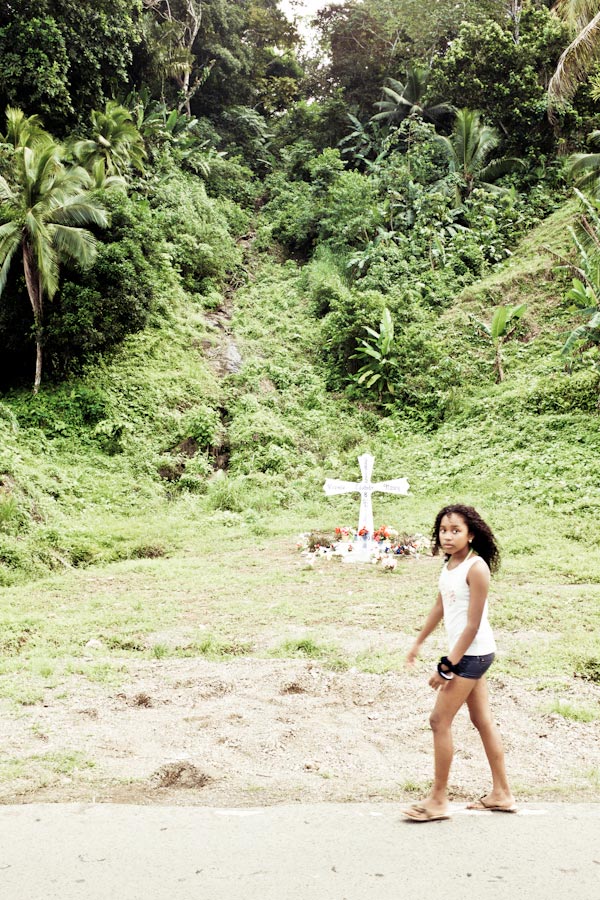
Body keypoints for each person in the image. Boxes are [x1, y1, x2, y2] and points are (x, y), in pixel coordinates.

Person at [402, 504, 516, 822]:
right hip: (468, 653)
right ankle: (502, 793)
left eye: (456, 531)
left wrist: (447, 666)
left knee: (439, 720)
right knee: (482, 721)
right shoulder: (450, 564)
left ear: (471, 534)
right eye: (443, 530)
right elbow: (441, 605)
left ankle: (438, 800)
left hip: (473, 654)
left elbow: (472, 625)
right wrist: (419, 641)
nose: (448, 536)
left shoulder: (476, 568)